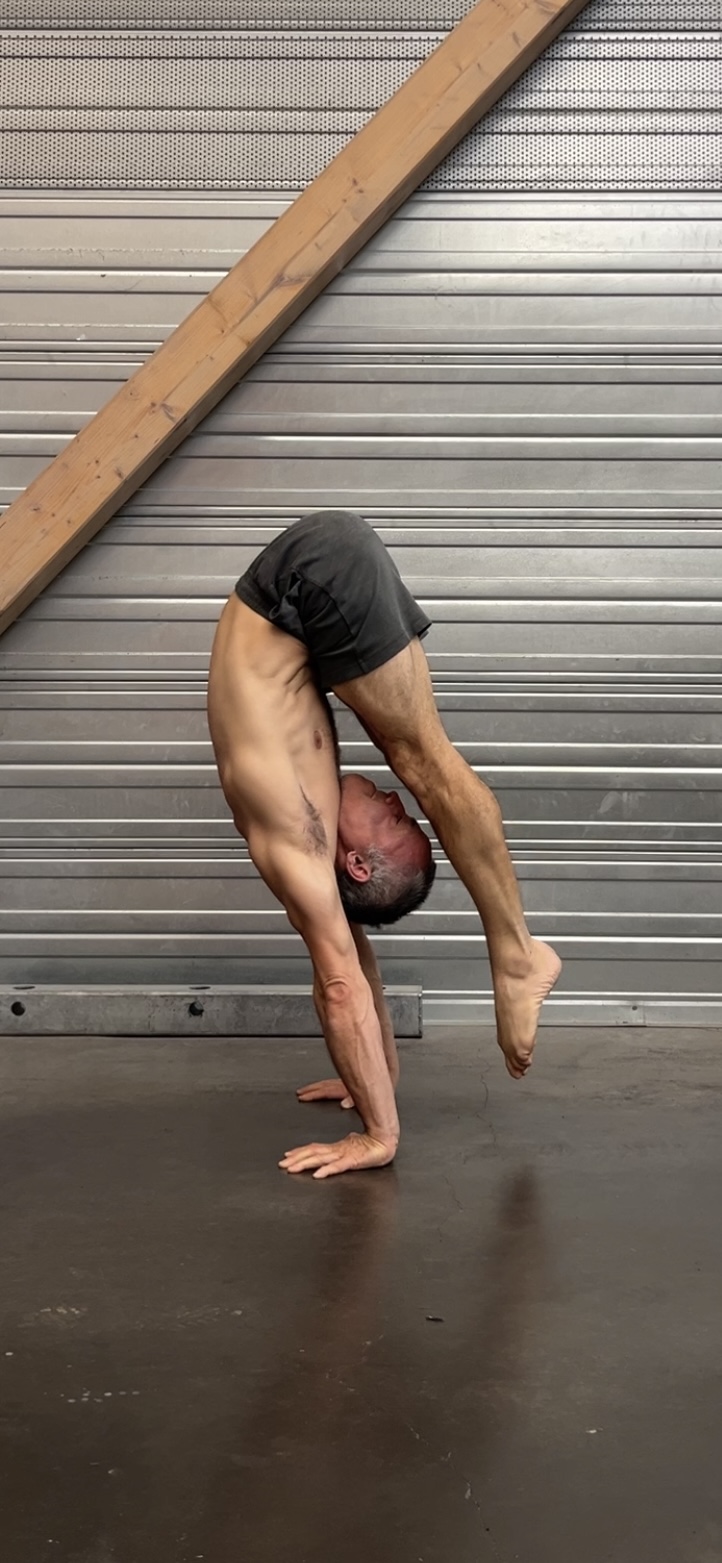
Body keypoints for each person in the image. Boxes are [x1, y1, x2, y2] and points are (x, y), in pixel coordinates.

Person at [207, 510, 560, 1179]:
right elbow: (344, 972)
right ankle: (516, 952)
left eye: (396, 827)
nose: (396, 807)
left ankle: (517, 955)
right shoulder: (301, 847)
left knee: (425, 763)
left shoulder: (301, 842)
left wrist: (377, 1122)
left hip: (305, 579)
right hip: (306, 578)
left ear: (359, 862)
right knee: (421, 761)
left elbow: (343, 976)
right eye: (403, 822)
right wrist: (376, 1093)